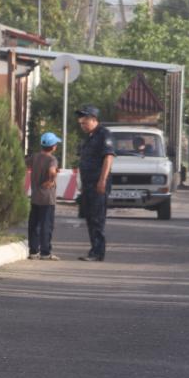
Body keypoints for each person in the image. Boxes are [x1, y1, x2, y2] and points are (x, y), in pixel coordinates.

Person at [75, 105, 115, 262]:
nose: (82, 126)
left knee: (97, 219)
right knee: (90, 218)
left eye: (85, 122)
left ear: (93, 119)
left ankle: (98, 252)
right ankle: (94, 250)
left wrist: (102, 180)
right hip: (88, 184)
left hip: (98, 183)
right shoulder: (90, 136)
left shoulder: (104, 135)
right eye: (81, 123)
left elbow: (108, 158)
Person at [28, 133, 61, 260]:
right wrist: (51, 179)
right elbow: (52, 171)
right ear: (53, 147)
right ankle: (45, 252)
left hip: (36, 196)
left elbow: (26, 163)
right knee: (46, 226)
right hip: (48, 199)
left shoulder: (35, 157)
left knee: (34, 225)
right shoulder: (52, 159)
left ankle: (33, 251)